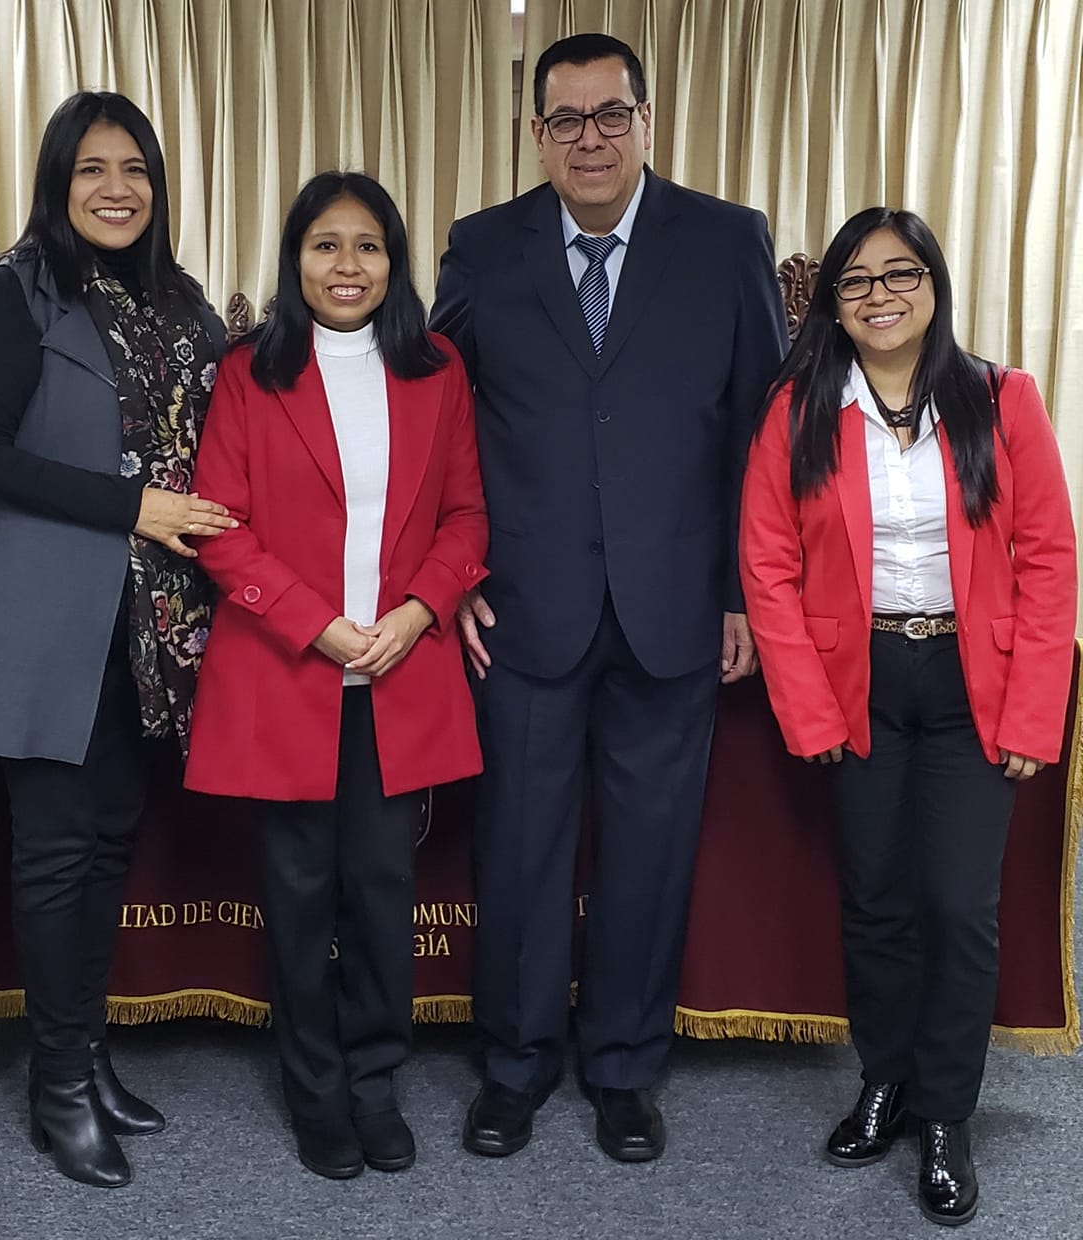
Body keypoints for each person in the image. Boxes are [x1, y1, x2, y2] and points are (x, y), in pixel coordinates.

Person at [429, 31, 788, 1161]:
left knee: (650, 846)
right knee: (522, 847)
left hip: (675, 604)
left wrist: (741, 589)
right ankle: (517, 1065)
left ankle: (626, 1069)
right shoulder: (482, 248)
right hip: (525, 608)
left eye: (609, 113)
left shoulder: (728, 241)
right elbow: (438, 426)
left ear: (646, 117)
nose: (589, 137)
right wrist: (453, 579)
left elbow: (757, 431)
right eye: (564, 119)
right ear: (536, 134)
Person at [740, 207, 1076, 1227]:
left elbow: (1050, 559)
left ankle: (946, 1114)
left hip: (974, 681)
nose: (880, 295)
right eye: (858, 281)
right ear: (833, 305)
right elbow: (769, 563)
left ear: (933, 285)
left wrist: (1032, 713)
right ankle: (882, 1079)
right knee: (877, 899)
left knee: (959, 909)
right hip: (859, 681)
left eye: (901, 275)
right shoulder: (799, 409)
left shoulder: (998, 398)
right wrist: (804, 705)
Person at [0, 91, 228, 1189]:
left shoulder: (179, 299)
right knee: (55, 853)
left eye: (135, 169)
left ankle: (88, 1054)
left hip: (149, 626)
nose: (117, 189)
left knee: (107, 843)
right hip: (43, 613)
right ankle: (57, 1087)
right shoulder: (17, 291)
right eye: (92, 169)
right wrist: (130, 504)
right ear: (59, 182)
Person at [184, 172, 488, 1179]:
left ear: (395, 263)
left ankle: (374, 1081)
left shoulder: (438, 368)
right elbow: (221, 531)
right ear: (295, 260)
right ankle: (315, 1094)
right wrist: (318, 628)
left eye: (367, 245)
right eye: (324, 245)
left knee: (382, 890)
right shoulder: (249, 372)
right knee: (300, 894)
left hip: (400, 672)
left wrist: (414, 612)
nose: (346, 264)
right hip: (289, 675)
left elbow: (466, 519)